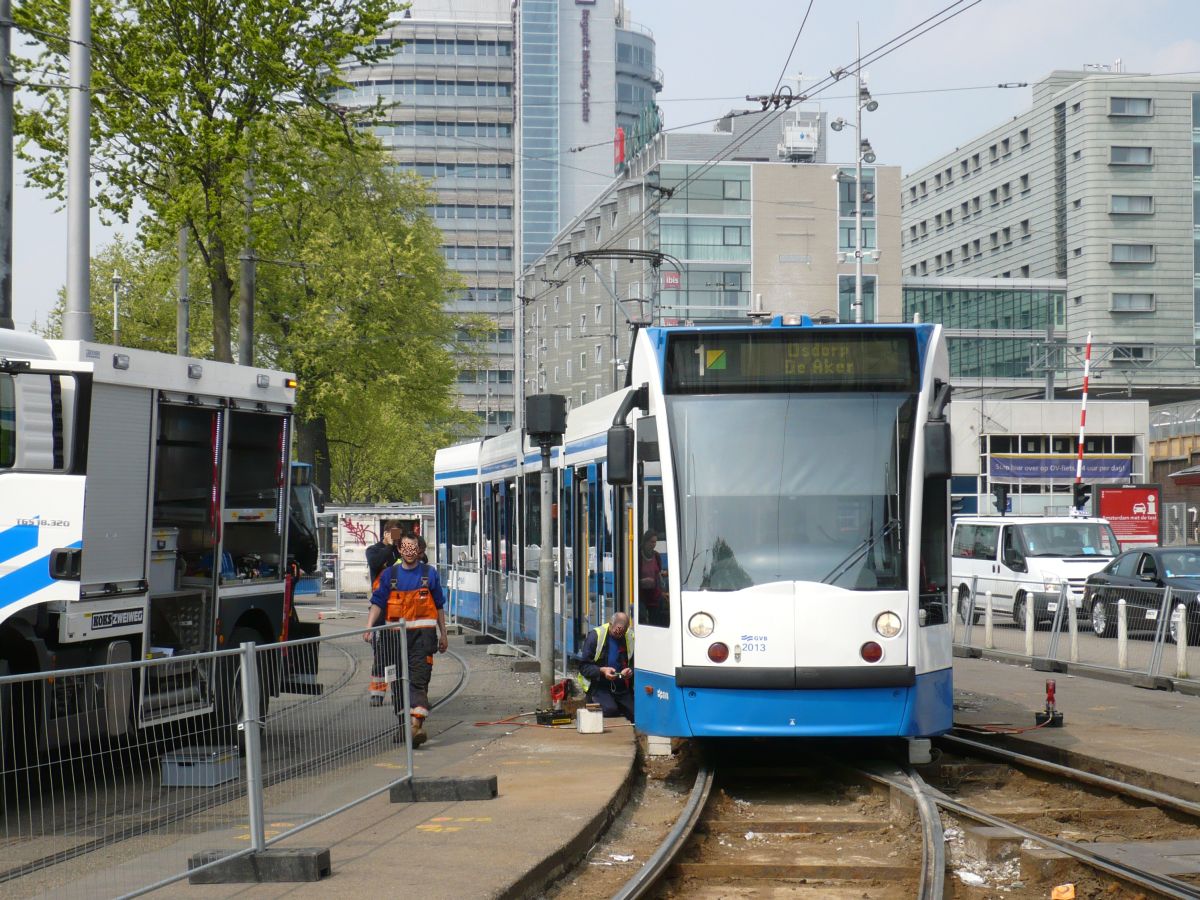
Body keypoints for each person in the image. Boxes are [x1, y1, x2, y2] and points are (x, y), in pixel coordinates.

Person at [365, 534, 449, 746]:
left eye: (413, 548)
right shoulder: (389, 575)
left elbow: (439, 606)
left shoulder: (429, 574)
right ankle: (404, 726)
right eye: (405, 548)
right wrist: (369, 627)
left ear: (419, 550)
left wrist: (444, 634)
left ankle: (416, 726)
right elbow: (377, 602)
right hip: (394, 639)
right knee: (398, 684)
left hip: (423, 638)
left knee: (418, 681)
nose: (409, 552)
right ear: (400, 550)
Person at [365, 525, 401, 705]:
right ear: (385, 533)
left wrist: (403, 544)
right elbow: (374, 563)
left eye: (398, 534)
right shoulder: (374, 550)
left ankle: (398, 693)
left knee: (399, 655)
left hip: (400, 610)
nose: (395, 537)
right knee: (382, 654)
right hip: (381, 609)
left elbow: (421, 558)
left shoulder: (401, 549)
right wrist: (388, 546)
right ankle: (377, 694)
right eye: (392, 534)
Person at [577, 612, 634, 722]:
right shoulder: (595, 636)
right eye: (616, 631)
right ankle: (593, 701)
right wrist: (602, 670)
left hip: (621, 685)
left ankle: (618, 703)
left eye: (622, 632)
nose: (619, 635)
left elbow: (635, 664)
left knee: (634, 712)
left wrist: (629, 672)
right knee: (610, 710)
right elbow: (583, 667)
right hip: (600, 686)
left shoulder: (630, 637)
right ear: (610, 624)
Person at [638, 530, 667, 627]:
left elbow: (658, 574)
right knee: (642, 621)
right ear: (645, 541)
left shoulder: (657, 556)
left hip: (655, 596)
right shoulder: (638, 555)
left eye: (655, 542)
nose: (653, 544)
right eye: (651, 542)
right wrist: (642, 581)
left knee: (655, 623)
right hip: (641, 596)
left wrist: (663, 590)